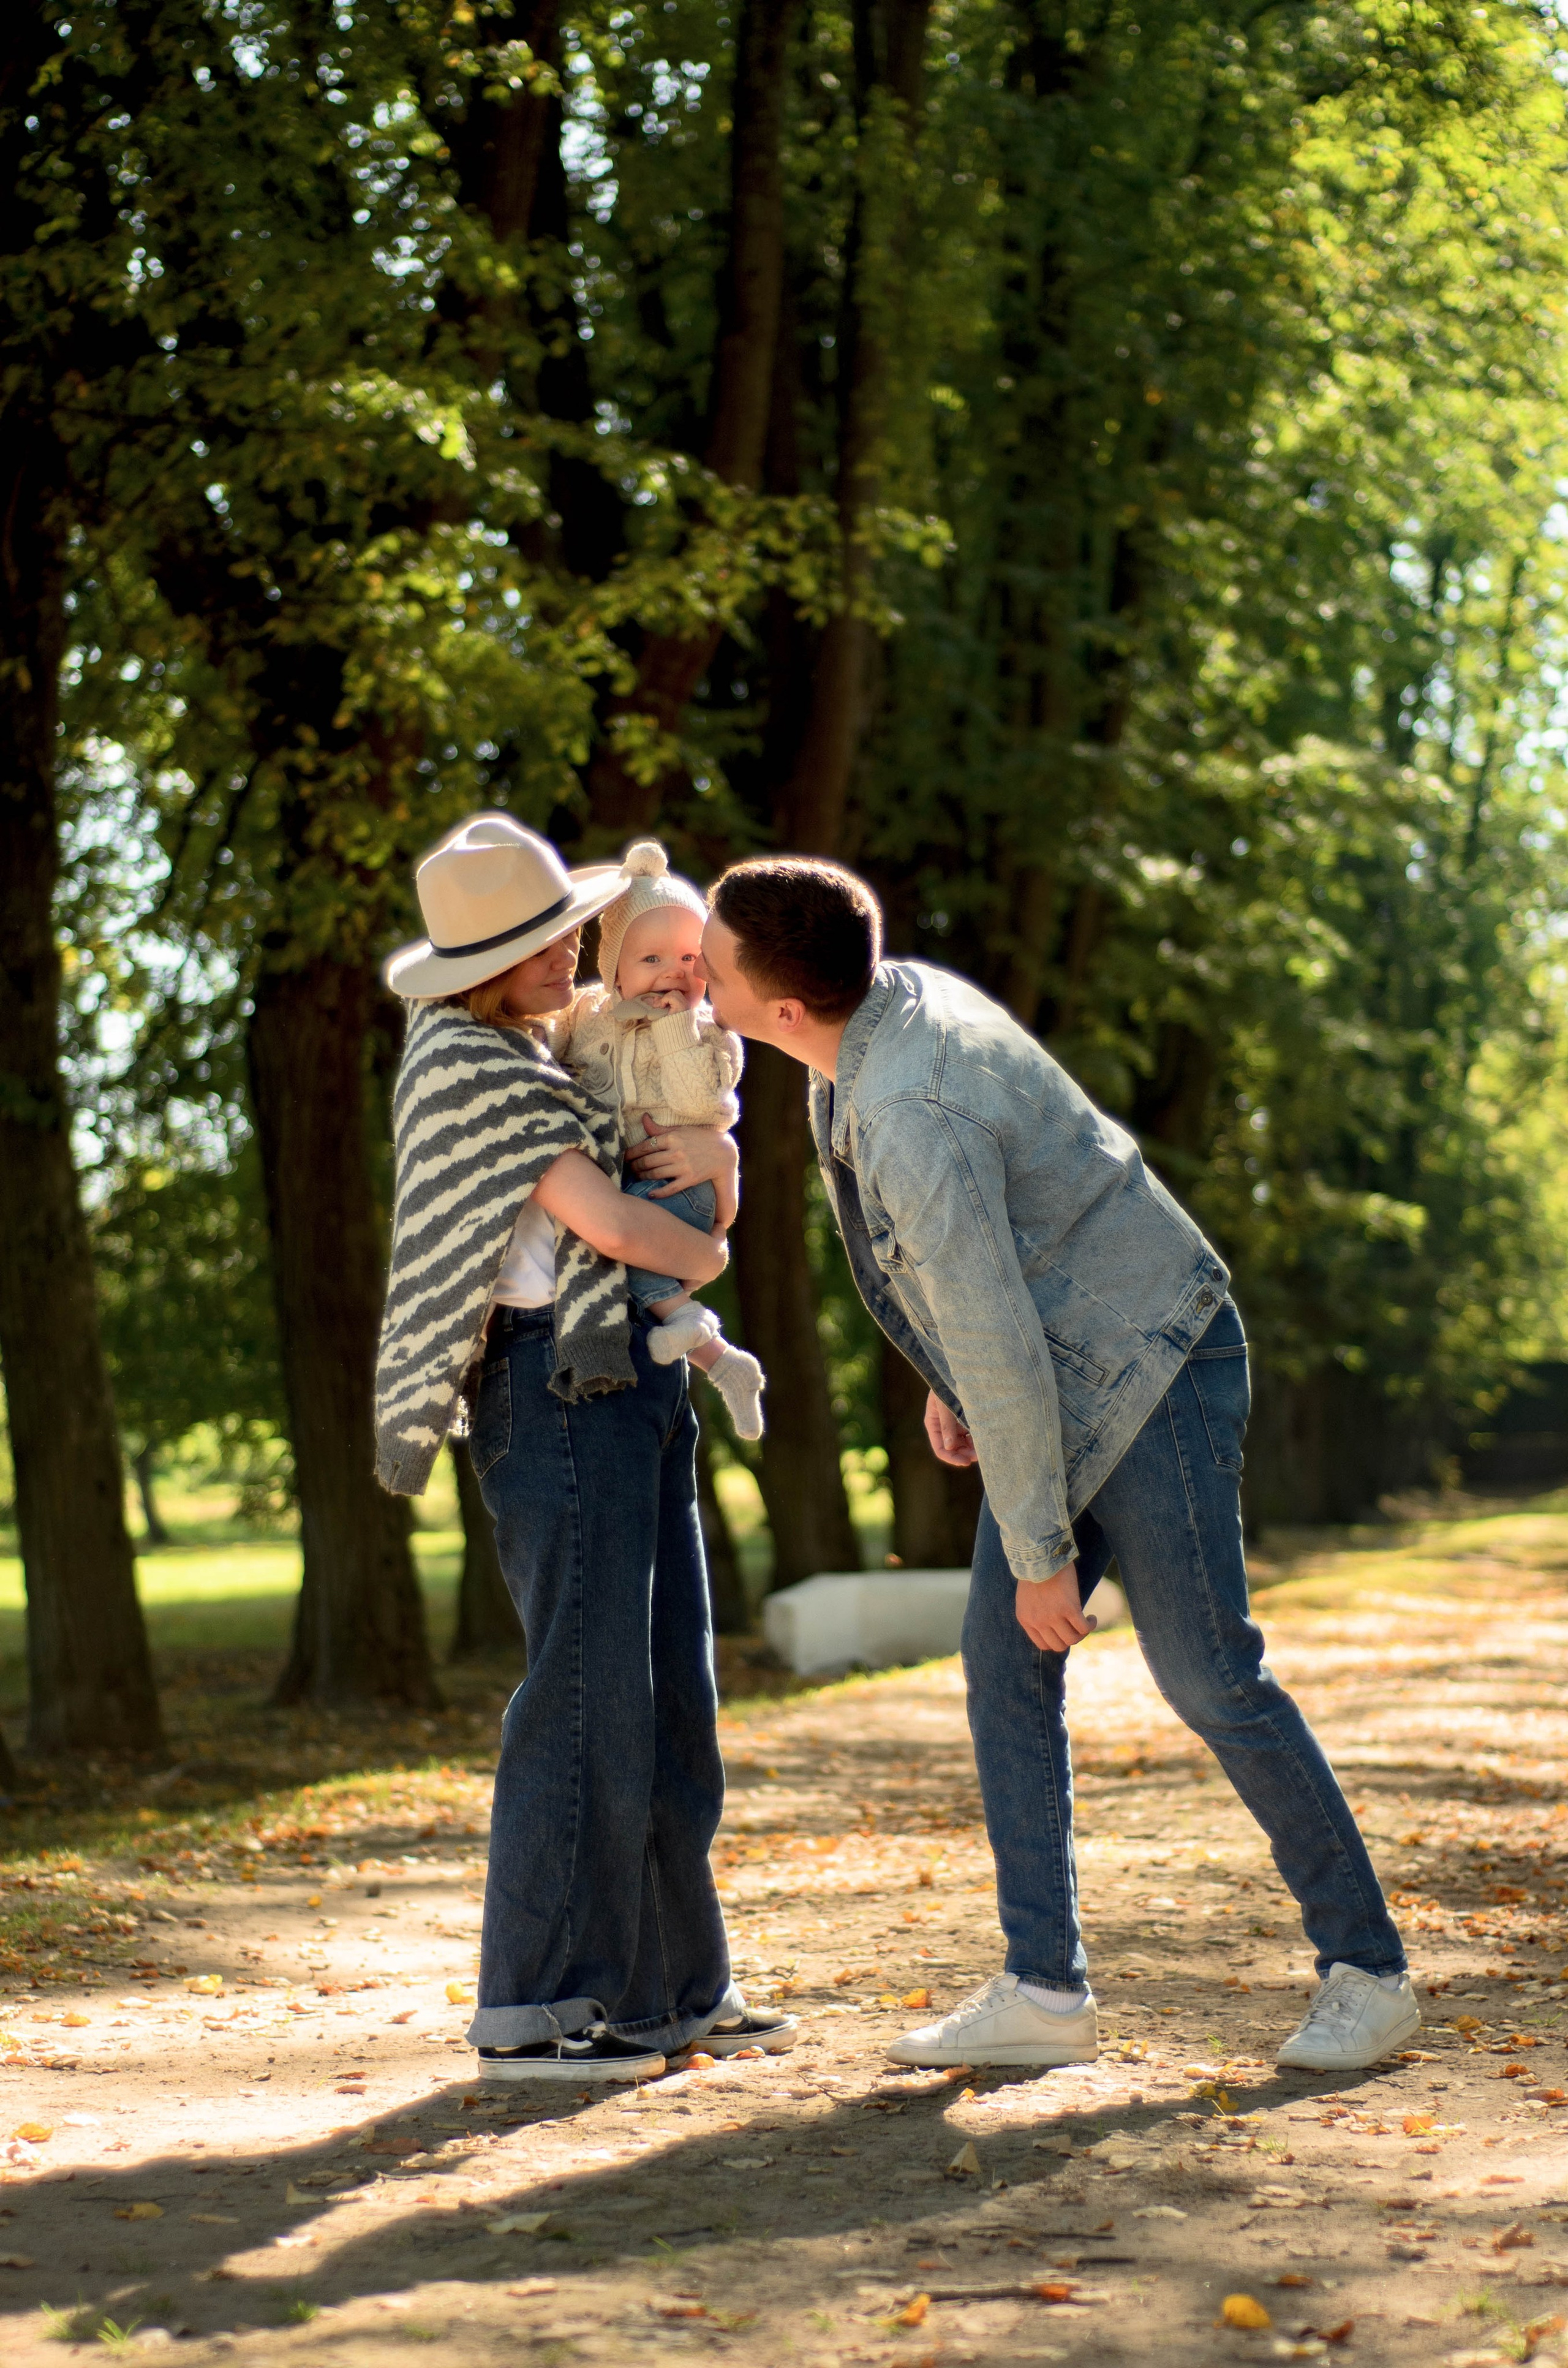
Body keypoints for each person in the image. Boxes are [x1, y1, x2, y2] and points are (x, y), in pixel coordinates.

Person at [700, 855, 1419, 2078]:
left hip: (1152, 1360)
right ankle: (1043, 1986)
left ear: (780, 1010)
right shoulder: (880, 1016)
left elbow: (1002, 1334)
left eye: (711, 968)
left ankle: (1368, 1970)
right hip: (1059, 1361)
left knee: (1208, 1675)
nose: (695, 985)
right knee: (1000, 1662)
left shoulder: (905, 1111)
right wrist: (950, 1371)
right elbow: (985, 1277)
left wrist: (1040, 1552)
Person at [374, 812, 793, 2081]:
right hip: (554, 1389)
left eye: (569, 927)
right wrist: (713, 1248)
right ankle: (536, 2001)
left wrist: (719, 1152)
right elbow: (618, 1222)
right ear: (480, 963)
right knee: (580, 1694)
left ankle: (669, 1987)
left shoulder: (552, 1052)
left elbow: (688, 1143)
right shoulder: (474, 1064)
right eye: (544, 938)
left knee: (669, 1687)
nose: (573, 951)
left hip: (622, 1379)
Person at [553, 839, 766, 1440]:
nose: (673, 972)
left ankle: (706, 1343)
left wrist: (675, 1027)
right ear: (613, 967)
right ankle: (724, 1362)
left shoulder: (708, 1030)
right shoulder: (582, 1013)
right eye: (650, 959)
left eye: (689, 957)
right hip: (623, 1182)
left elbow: (705, 1106)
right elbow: (549, 1061)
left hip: (680, 1183)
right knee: (619, 1247)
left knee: (628, 1250)